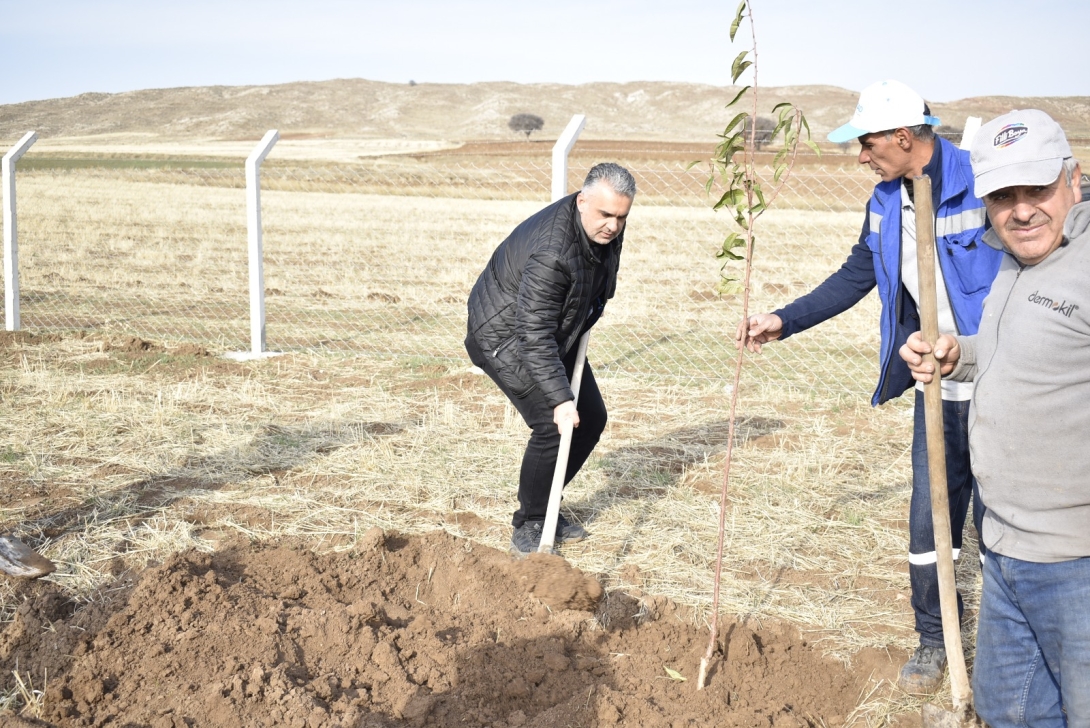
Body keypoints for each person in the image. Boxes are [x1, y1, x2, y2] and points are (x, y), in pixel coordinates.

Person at [734, 80, 1004, 693]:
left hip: (997, 382)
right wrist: (785, 319)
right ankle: (934, 639)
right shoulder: (885, 200)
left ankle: (1004, 641)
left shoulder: (983, 180)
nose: (861, 157)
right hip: (936, 387)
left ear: (903, 137)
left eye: (867, 143)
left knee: (999, 523)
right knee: (928, 522)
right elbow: (858, 272)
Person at [901, 109, 1089, 726]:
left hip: (1073, 560)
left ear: (1073, 179)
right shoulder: (1017, 261)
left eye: (1037, 189)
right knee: (1010, 712)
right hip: (1006, 548)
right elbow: (1025, 349)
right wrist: (960, 353)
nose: (1021, 210)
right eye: (1004, 196)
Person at [465, 163, 635, 557]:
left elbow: (596, 278)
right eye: (606, 215)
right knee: (553, 425)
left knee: (590, 418)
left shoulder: (601, 228)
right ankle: (530, 523)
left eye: (621, 217)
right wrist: (559, 400)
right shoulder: (552, 252)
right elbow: (533, 333)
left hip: (554, 329)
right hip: (507, 338)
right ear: (582, 201)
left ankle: (545, 506)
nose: (613, 226)